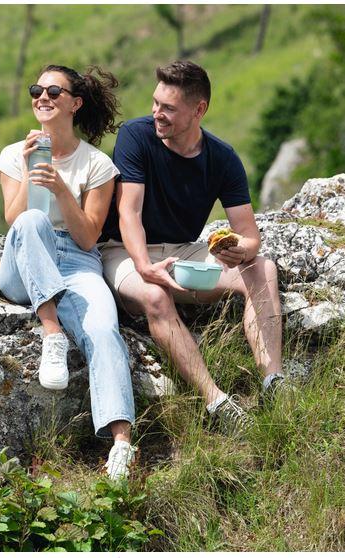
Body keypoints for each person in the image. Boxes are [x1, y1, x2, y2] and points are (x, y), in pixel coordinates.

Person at [98, 60, 290, 436]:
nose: (157, 113)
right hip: (122, 249)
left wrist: (241, 250)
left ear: (198, 109)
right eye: (155, 103)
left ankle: (273, 382)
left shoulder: (222, 157)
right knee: (154, 295)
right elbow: (129, 212)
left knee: (261, 268)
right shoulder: (135, 136)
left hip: (183, 251)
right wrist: (143, 265)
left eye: (168, 108)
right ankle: (216, 401)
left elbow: (249, 235)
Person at [0, 64, 136, 478]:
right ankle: (51, 333)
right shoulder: (14, 154)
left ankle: (121, 443)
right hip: (26, 262)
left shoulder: (96, 165)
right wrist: (26, 168)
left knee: (104, 330)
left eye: (54, 92)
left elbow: (90, 236)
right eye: (37, 90)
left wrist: (59, 187)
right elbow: (15, 219)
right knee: (32, 222)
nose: (43, 97)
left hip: (75, 261)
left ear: (75, 103)